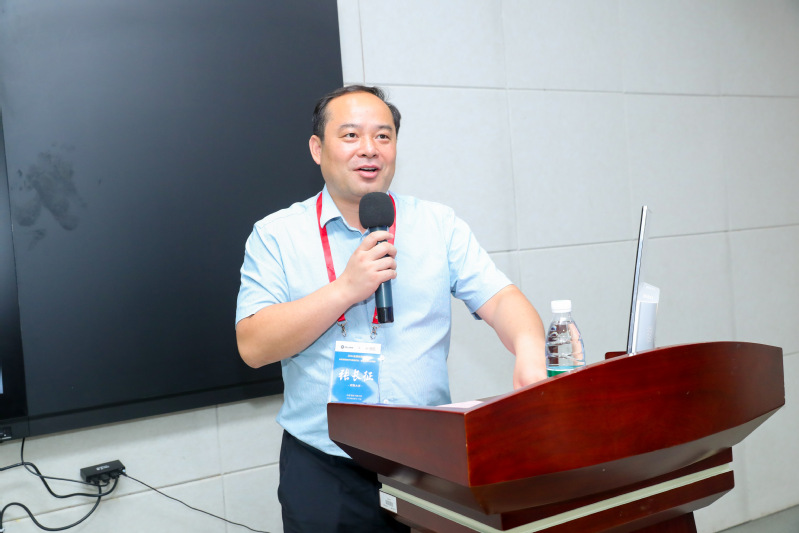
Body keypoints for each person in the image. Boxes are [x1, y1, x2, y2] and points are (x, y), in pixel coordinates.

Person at [235, 85, 546, 532]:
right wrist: (346, 289)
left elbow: (502, 299)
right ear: (317, 149)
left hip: (428, 463)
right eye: (351, 135)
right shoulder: (276, 235)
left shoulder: (437, 224)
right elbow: (253, 346)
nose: (370, 149)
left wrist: (530, 352)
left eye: (383, 136)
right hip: (326, 470)